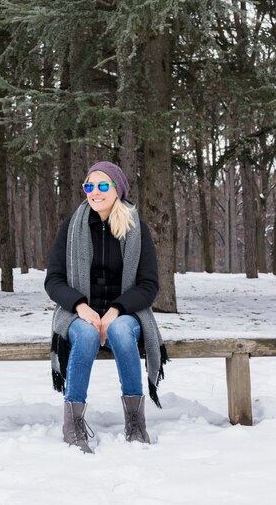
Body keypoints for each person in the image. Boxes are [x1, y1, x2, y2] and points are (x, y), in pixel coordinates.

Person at [45, 161, 167, 453]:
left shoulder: (136, 228)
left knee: (122, 331)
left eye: (103, 186)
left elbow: (148, 285)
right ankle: (72, 425)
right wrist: (80, 306)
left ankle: (136, 422)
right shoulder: (71, 227)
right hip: (79, 313)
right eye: (90, 186)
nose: (95, 192)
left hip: (126, 312)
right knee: (86, 335)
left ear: (117, 189)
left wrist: (115, 311)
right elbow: (54, 280)